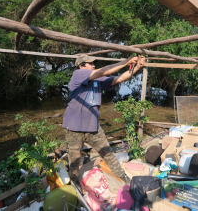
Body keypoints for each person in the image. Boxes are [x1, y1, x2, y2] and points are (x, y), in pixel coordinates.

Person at [62, 54, 146, 184]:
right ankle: (74, 184)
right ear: (81, 66)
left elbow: (120, 78)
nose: (94, 65)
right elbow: (103, 71)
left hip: (92, 126)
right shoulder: (78, 75)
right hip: (74, 127)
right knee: (74, 160)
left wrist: (136, 67)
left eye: (94, 63)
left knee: (108, 153)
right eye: (90, 63)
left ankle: (122, 176)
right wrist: (126, 61)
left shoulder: (98, 81)